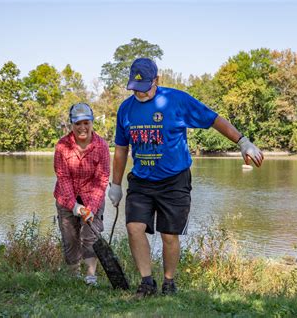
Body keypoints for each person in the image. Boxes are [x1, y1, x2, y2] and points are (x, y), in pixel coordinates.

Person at [108, 58, 264, 297]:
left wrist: (242, 142)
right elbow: (121, 150)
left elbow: (213, 119)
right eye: (135, 89)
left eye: (145, 88)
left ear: (157, 81)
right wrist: (116, 184)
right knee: (133, 227)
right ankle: (147, 282)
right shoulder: (125, 110)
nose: (139, 94)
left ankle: (168, 282)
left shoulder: (176, 101)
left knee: (169, 235)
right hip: (141, 180)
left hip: (174, 179)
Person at [53, 102, 110, 286]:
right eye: (78, 123)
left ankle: (91, 276)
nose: (82, 127)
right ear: (71, 124)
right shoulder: (62, 146)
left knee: (90, 237)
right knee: (70, 237)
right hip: (66, 198)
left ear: (92, 122)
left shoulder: (101, 146)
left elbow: (102, 179)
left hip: (92, 196)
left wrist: (90, 208)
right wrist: (73, 205)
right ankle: (73, 275)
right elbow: (63, 176)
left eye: (86, 122)